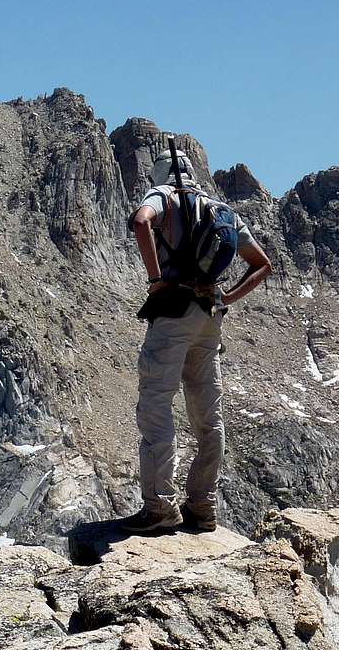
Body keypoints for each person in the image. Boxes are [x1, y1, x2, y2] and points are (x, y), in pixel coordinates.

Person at [121, 149, 272, 533]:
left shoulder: (163, 197)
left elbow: (141, 222)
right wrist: (225, 297)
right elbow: (262, 264)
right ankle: (202, 508)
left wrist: (156, 280)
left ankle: (159, 508)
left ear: (160, 175)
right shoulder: (220, 208)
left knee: (156, 408)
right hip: (210, 317)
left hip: (172, 314)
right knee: (209, 417)